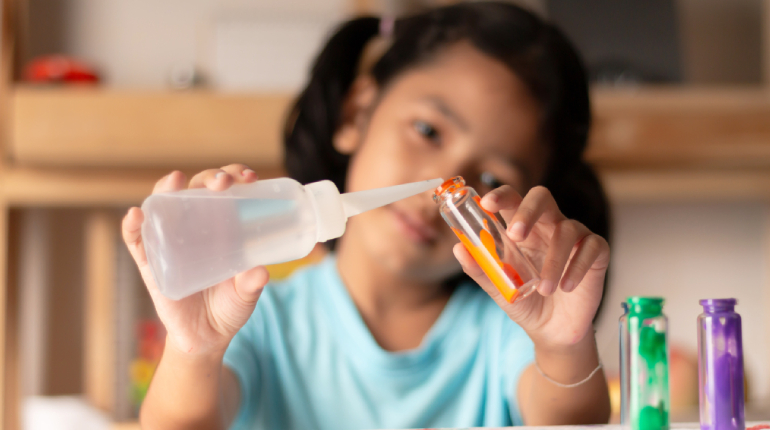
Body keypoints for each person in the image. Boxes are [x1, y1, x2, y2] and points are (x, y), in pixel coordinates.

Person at [122, 2, 612, 429]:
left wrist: (563, 345)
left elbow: (572, 421)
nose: (440, 186)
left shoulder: (506, 334)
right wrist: (195, 350)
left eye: (487, 178)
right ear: (355, 114)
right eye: (427, 130)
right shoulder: (258, 321)